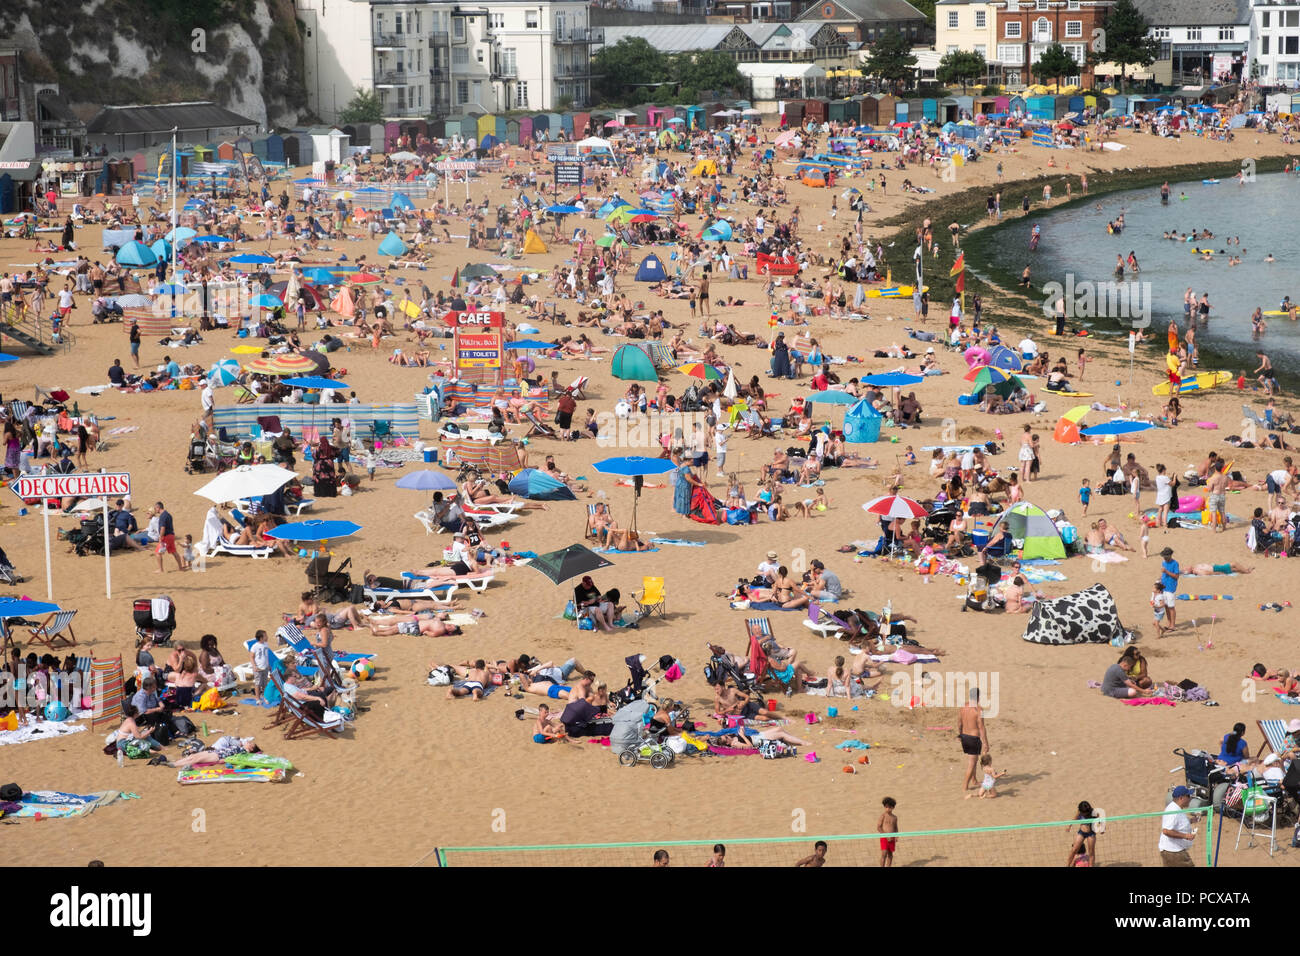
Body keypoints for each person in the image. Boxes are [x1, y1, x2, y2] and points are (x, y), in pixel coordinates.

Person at [958, 688, 988, 793]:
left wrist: (960, 735)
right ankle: (965, 786)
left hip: (964, 737)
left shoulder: (963, 707)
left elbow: (960, 723)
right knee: (972, 762)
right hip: (973, 738)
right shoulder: (979, 710)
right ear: (978, 698)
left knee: (973, 759)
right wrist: (985, 743)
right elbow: (982, 728)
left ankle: (974, 780)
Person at [1159, 787, 1197, 866]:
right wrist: (1185, 836)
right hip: (1174, 853)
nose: (1190, 799)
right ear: (1181, 798)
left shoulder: (1177, 808)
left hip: (1174, 851)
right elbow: (1166, 831)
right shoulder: (1173, 811)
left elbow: (1177, 824)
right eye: (1188, 796)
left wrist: (1190, 821)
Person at [154, 501, 183, 572]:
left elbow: (162, 528)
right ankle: (180, 567)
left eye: (155, 508)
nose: (155, 510)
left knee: (158, 553)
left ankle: (160, 569)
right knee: (174, 552)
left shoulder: (163, 516)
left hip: (166, 537)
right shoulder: (168, 515)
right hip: (171, 536)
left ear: (158, 507)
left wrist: (160, 538)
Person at [1067, 801, 1099, 867]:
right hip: (1082, 832)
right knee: (1074, 850)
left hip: (1091, 833)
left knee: (1091, 853)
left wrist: (1102, 828)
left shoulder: (1093, 813)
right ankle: (1067, 865)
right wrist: (1069, 826)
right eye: (1083, 813)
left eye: (1085, 813)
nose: (1084, 814)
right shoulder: (1079, 812)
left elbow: (1100, 820)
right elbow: (1074, 819)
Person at [1159, 547, 1180, 629]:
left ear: (1170, 555)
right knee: (1166, 606)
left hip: (1171, 588)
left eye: (1166, 556)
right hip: (1164, 587)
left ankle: (1173, 625)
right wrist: (1160, 580)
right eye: (1164, 556)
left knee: (1171, 607)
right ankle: (1169, 622)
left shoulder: (1175, 563)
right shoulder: (1163, 563)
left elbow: (1176, 576)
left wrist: (1166, 572)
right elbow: (1163, 575)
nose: (1164, 558)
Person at [878, 797, 898, 867]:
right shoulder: (883, 816)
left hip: (892, 838)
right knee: (884, 853)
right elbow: (879, 827)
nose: (887, 809)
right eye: (886, 807)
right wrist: (886, 836)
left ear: (893, 807)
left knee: (890, 854)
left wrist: (896, 836)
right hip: (884, 837)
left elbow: (895, 827)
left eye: (889, 807)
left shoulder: (895, 817)